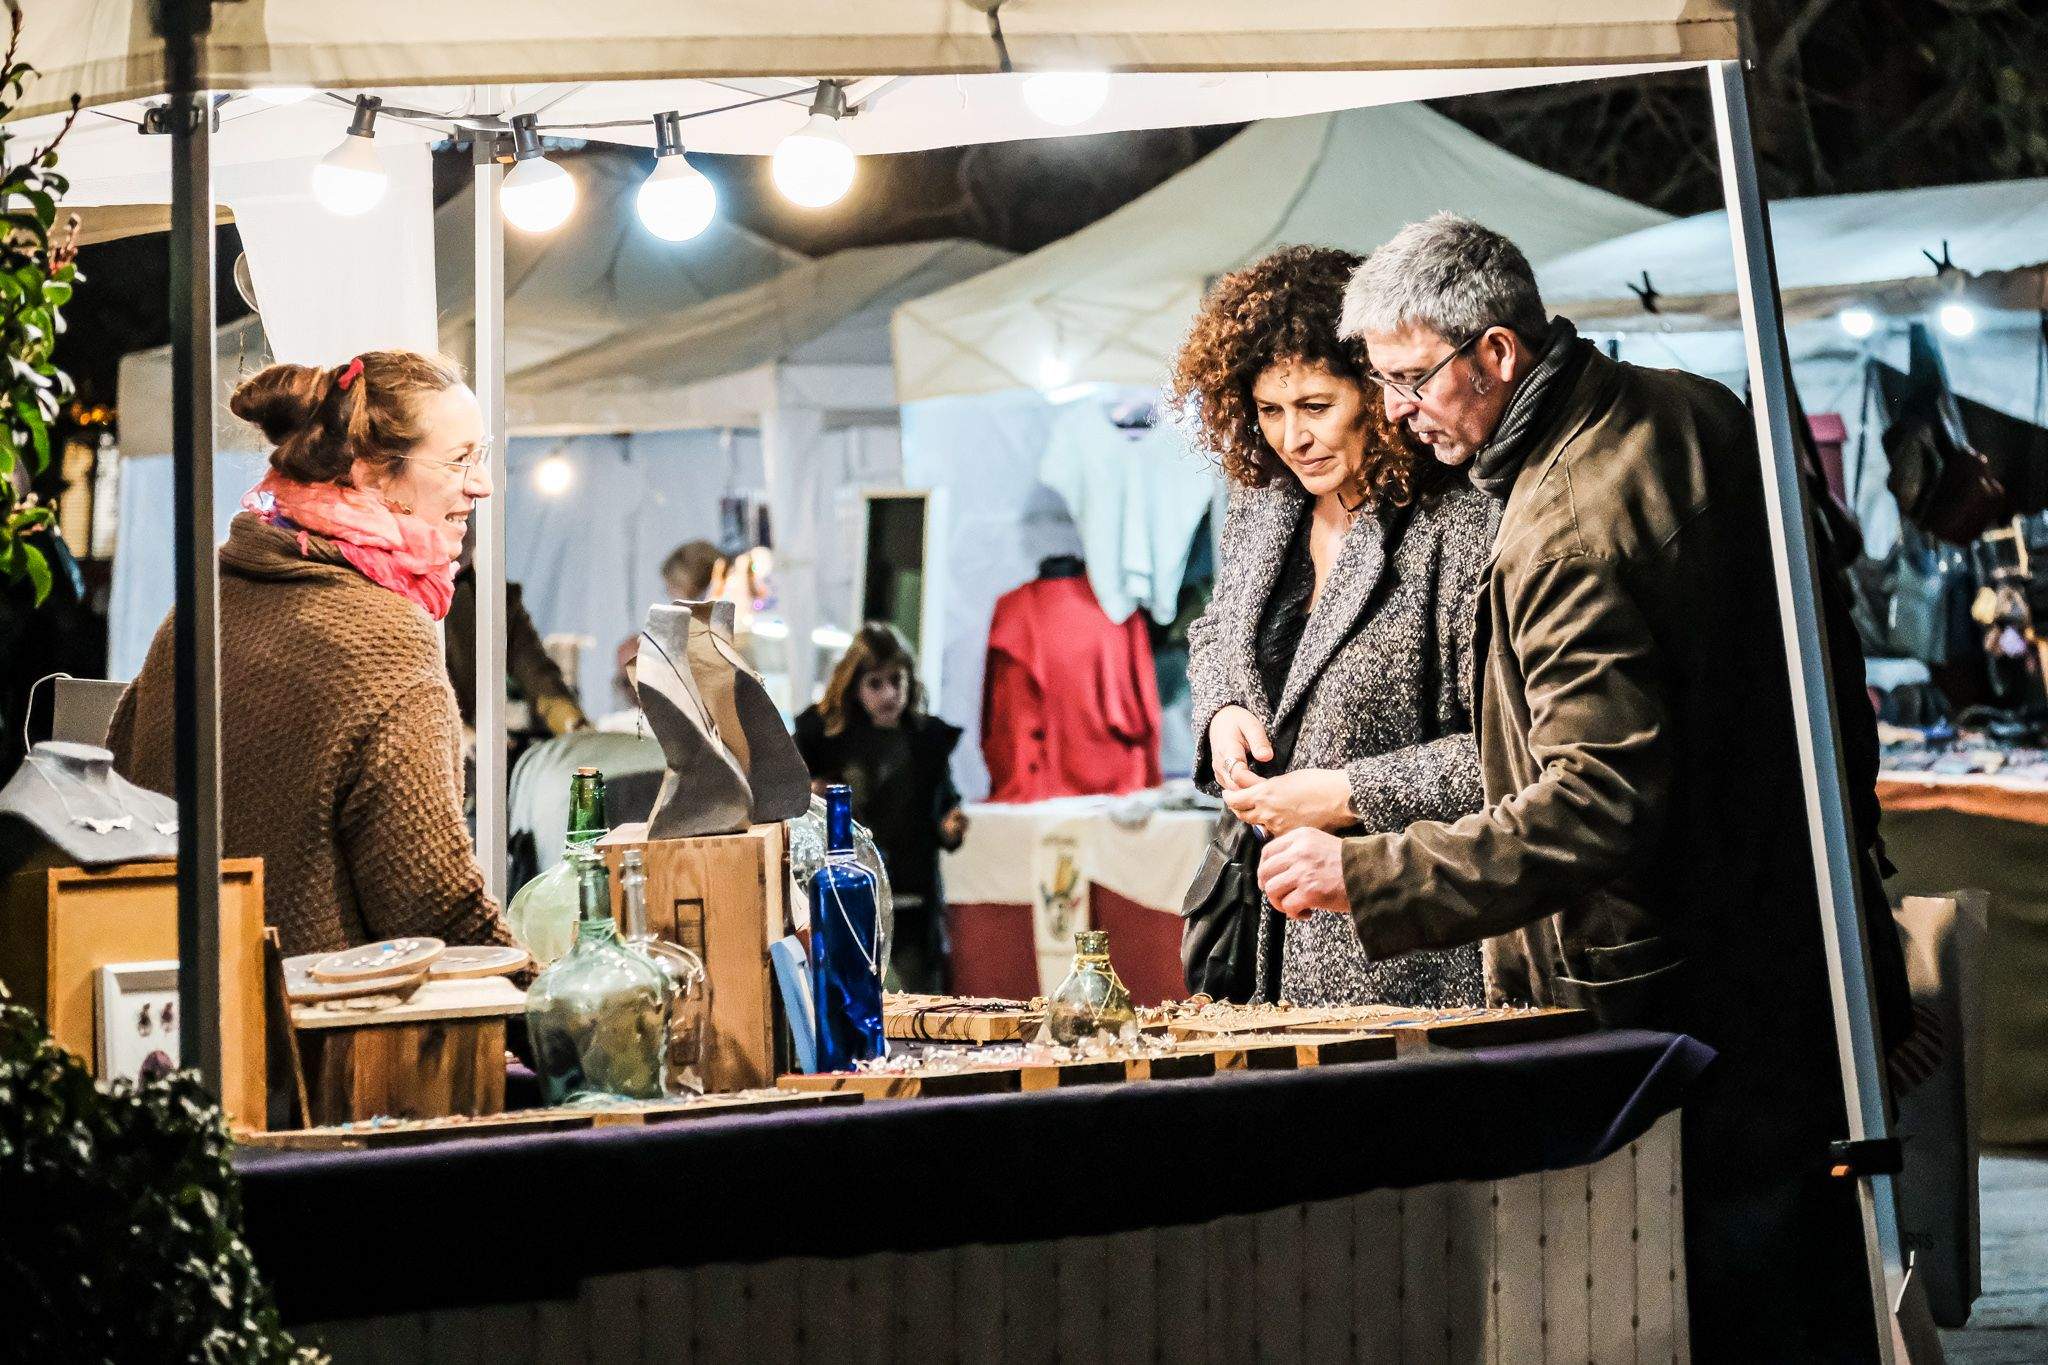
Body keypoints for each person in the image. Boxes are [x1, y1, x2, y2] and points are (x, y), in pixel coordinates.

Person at [1254, 214, 1908, 1358]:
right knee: (1809, 1285)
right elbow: (1824, 673)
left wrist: (1368, 870)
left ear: (1496, 354)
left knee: (1720, 1296)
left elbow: (1595, 799)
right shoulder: (1692, 405)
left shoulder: (1559, 521)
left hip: (1674, 989)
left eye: (1409, 379)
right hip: (1784, 940)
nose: (1397, 409)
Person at [109, 351, 518, 958]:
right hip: (316, 1036)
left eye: (478, 457)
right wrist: (550, 1018)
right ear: (372, 473)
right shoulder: (385, 634)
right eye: (459, 460)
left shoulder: (201, 606)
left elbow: (117, 782)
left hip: (178, 1017)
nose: (480, 484)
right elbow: (434, 906)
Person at [1170, 245, 1495, 1008]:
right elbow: (1217, 627)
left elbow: (1506, 755)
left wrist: (1345, 793)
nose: (1292, 437)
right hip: (1265, 945)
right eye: (1268, 411)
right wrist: (1221, 710)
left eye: (1317, 406)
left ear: (1377, 390)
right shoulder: (1264, 502)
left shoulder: (1458, 524)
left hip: (1406, 953)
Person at [794, 624, 966, 993]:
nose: (889, 694)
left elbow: (944, 803)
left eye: (896, 681)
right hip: (847, 895)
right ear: (854, 687)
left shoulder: (925, 741)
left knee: (928, 1002)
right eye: (875, 683)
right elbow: (792, 805)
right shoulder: (824, 739)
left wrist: (950, 825)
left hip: (913, 894)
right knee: (849, 995)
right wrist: (811, 795)